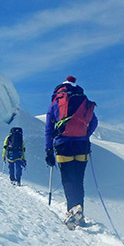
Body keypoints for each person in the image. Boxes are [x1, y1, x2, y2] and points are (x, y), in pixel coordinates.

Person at [44, 76, 98, 228]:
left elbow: (48, 129)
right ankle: (79, 213)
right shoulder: (84, 101)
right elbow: (94, 122)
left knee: (68, 179)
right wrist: (85, 135)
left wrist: (48, 150)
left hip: (63, 146)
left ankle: (72, 210)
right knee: (79, 180)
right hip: (82, 147)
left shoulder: (55, 103)